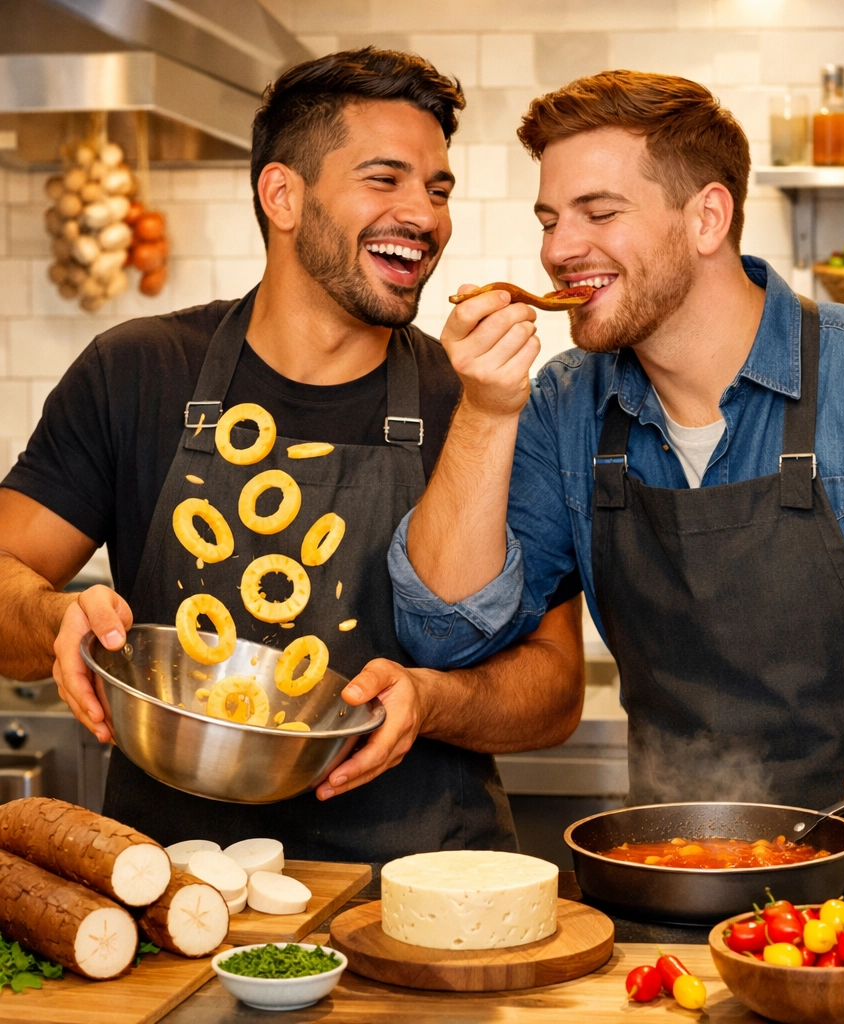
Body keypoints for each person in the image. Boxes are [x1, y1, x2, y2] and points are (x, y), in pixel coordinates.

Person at [390, 70, 844, 877]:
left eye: (599, 212)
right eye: (550, 219)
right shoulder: (564, 406)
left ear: (707, 217)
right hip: (673, 891)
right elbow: (443, 634)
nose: (557, 249)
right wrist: (483, 412)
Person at [0, 48, 584, 862]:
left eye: (437, 187)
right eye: (385, 180)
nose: (426, 215)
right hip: (172, 890)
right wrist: (54, 617)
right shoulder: (137, 372)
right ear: (283, 195)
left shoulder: (480, 403)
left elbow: (556, 688)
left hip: (417, 905)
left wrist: (432, 699)